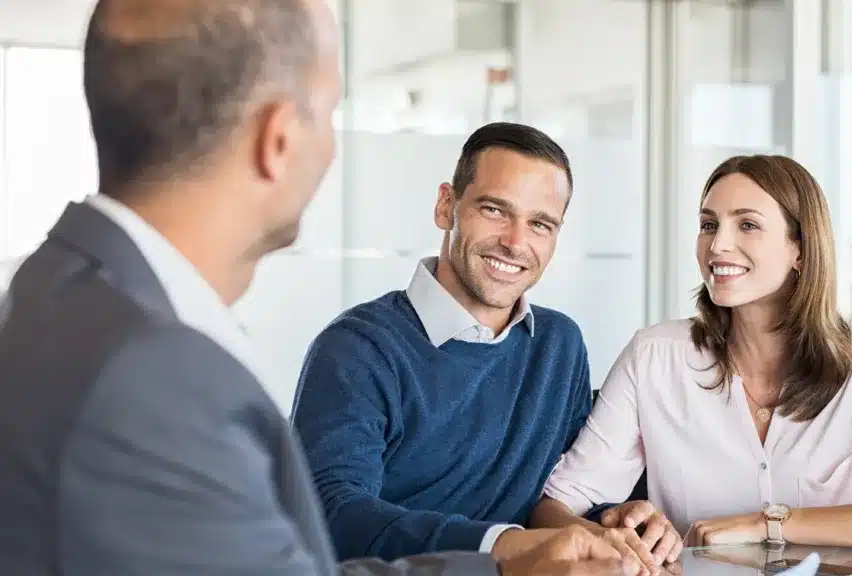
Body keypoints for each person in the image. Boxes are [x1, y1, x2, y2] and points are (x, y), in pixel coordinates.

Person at [0, 1, 634, 575]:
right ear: (278, 138)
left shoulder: (66, 304)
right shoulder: (157, 370)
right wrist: (501, 558)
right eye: (330, 111)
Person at [532, 154, 852, 557]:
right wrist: (615, 537)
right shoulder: (654, 357)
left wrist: (768, 524)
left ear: (799, 248)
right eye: (708, 224)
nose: (718, 244)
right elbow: (552, 507)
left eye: (747, 225)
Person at [292, 121, 667, 569]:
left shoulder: (558, 346)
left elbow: (560, 492)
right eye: (494, 210)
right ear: (446, 205)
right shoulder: (357, 349)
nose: (514, 242)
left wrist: (612, 519)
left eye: (540, 224)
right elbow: (331, 515)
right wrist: (505, 547)